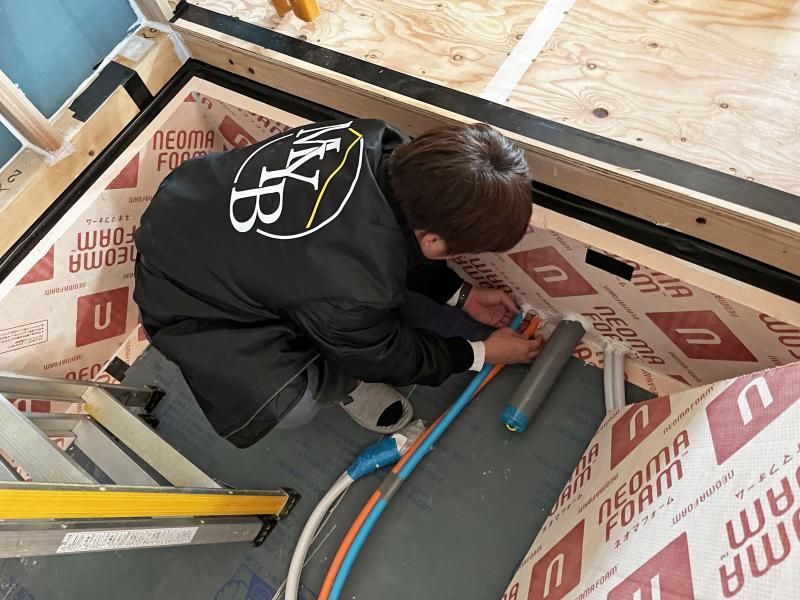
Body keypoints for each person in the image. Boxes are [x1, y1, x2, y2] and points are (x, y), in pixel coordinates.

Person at [134, 119, 542, 448]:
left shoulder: (378, 140)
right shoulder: (349, 287)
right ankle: (340, 381)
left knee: (358, 308)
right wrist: (479, 353)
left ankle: (328, 333)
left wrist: (461, 294)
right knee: (292, 404)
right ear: (435, 243)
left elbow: (404, 236)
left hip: (189, 205)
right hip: (188, 301)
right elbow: (384, 357)